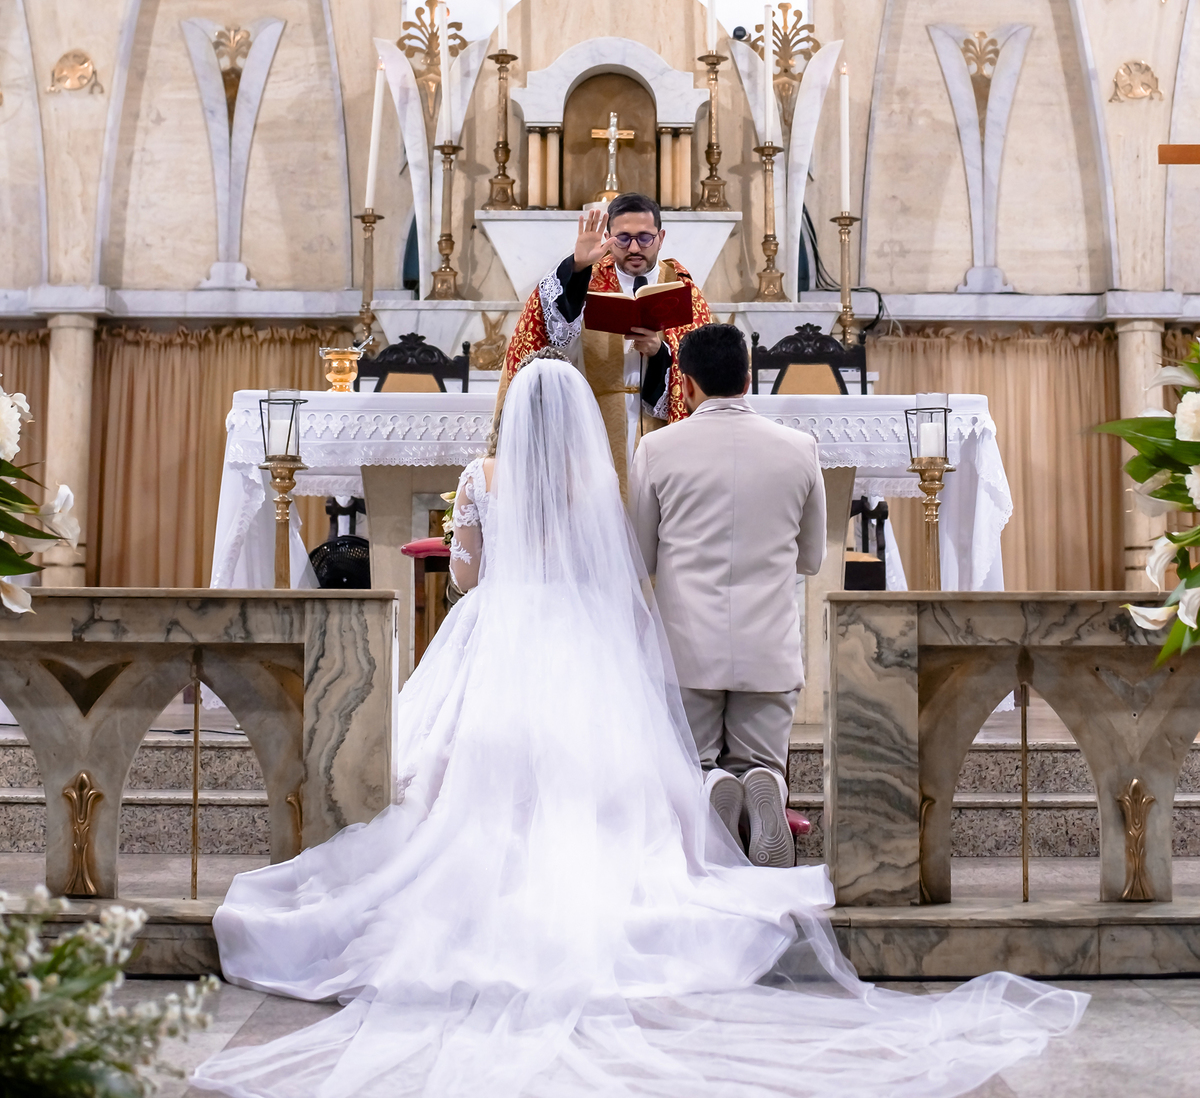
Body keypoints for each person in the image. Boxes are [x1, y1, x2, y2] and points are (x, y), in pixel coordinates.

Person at [194, 352, 1085, 1098]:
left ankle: (677, 794)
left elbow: (463, 576)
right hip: (588, 634)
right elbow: (623, 569)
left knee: (461, 767)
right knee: (604, 770)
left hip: (497, 633)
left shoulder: (481, 477)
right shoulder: (599, 479)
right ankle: (741, 785)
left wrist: (487, 571)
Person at [629, 323, 825, 869]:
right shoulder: (799, 448)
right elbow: (810, 558)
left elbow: (640, 556)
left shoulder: (657, 448)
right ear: (749, 377)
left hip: (688, 649)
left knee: (691, 760)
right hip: (769, 647)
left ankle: (710, 783)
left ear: (685, 385)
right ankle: (762, 782)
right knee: (763, 757)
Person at [501, 192, 711, 493]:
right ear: (608, 236)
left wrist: (660, 353)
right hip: (593, 426)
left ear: (661, 237)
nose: (635, 248)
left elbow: (704, 369)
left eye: (644, 238)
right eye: (623, 239)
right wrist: (576, 267)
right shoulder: (585, 278)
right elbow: (546, 333)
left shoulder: (682, 287)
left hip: (660, 429)